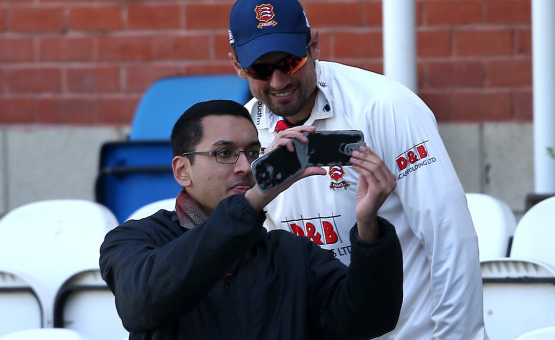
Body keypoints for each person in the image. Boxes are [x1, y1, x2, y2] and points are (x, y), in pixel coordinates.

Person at [228, 0, 487, 339]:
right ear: (237, 66)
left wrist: (458, 336)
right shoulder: (245, 132)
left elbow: (448, 234)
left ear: (313, 46)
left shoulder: (384, 106)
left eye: (291, 62)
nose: (278, 81)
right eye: (260, 69)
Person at [99, 99, 403, 339]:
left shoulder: (292, 254)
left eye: (253, 152)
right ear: (182, 170)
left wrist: (368, 228)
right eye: (224, 153)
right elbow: (143, 301)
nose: (245, 166)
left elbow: (368, 320)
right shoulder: (133, 239)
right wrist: (254, 200)